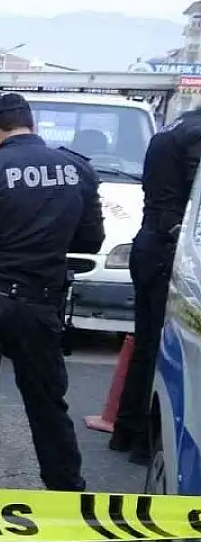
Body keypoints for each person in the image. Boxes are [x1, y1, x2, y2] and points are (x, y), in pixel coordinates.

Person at [0, 92, 104, 491]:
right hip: (41, 300)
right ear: (31, 124)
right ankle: (66, 491)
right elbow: (91, 240)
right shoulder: (76, 169)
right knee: (47, 402)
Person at [110, 106, 201, 465]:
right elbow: (194, 202)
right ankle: (145, 441)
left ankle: (127, 432)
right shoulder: (196, 135)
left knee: (147, 346)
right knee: (165, 352)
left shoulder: (177, 127)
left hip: (151, 243)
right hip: (169, 248)